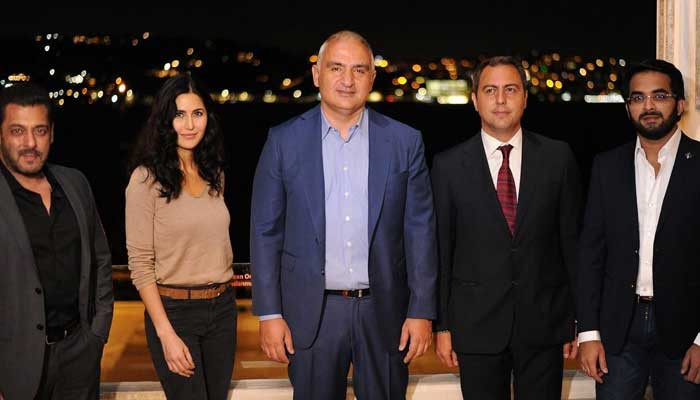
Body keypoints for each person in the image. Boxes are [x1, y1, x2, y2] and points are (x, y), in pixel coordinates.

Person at [250, 30, 438, 399]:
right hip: (311, 315)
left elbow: (420, 231)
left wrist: (421, 310)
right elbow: (265, 232)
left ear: (372, 77)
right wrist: (269, 314)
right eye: (336, 68)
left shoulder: (404, 141)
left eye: (359, 70)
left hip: (385, 313)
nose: (347, 80)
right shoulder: (283, 141)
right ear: (317, 74)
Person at [431, 56, 582, 399]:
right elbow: (441, 250)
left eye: (510, 89)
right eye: (490, 90)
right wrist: (443, 325)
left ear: (525, 98)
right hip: (475, 327)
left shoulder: (558, 158)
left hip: (545, 325)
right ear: (475, 100)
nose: (500, 100)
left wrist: (577, 320)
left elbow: (572, 245)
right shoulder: (448, 166)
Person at [577, 59, 700, 399]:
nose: (648, 106)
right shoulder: (607, 166)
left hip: (685, 331)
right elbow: (590, 253)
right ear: (628, 107)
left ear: (680, 104)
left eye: (659, 96)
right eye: (637, 98)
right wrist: (588, 333)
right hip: (618, 328)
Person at [0, 82, 113, 400]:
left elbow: (101, 259)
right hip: (14, 365)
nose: (30, 143)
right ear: (1, 135)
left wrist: (97, 333)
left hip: (79, 354)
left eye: (40, 131)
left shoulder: (75, 184)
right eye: (18, 131)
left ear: (51, 134)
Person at [126, 75, 236, 399]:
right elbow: (140, 264)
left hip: (223, 310)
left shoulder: (214, 174)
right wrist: (166, 334)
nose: (189, 125)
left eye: (197, 114)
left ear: (208, 118)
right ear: (165, 120)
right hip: (175, 313)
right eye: (179, 114)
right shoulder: (145, 180)